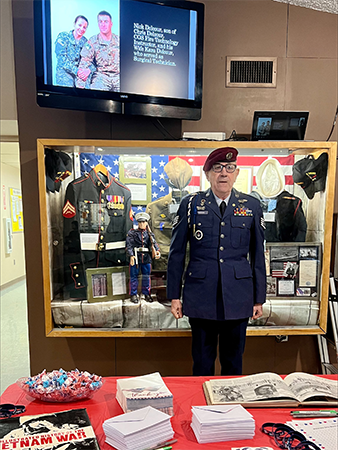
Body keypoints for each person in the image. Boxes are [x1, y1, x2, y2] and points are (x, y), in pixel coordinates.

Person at [167, 147, 266, 376]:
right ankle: (202, 407)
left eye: (229, 168)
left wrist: (259, 298)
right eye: (217, 168)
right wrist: (174, 296)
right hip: (201, 295)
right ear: (207, 174)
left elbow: (258, 255)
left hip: (238, 296)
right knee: (202, 362)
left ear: (237, 173)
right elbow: (177, 253)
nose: (224, 173)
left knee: (233, 363)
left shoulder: (251, 206)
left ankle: (230, 408)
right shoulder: (191, 204)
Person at [77, 10, 120, 91]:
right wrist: (80, 92)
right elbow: (84, 63)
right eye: (100, 22)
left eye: (106, 21)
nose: (103, 24)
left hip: (119, 77)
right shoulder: (92, 42)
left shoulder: (120, 41)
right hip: (101, 77)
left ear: (111, 24)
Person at [126, 212, 161, 304]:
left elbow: (154, 244)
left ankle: (146, 293)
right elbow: (129, 245)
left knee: (146, 277)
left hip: (146, 258)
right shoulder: (132, 233)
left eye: (143, 222)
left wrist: (157, 251)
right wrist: (131, 255)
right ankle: (133, 294)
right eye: (140, 222)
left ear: (146, 223)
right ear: (138, 223)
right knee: (133, 276)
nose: (141, 224)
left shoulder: (149, 234)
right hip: (136, 257)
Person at [55, 15, 89, 87]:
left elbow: (90, 59)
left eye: (84, 27)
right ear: (74, 24)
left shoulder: (85, 42)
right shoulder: (63, 36)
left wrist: (87, 71)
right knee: (70, 91)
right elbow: (61, 60)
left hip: (78, 74)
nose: (81, 28)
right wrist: (77, 71)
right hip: (64, 73)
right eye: (79, 25)